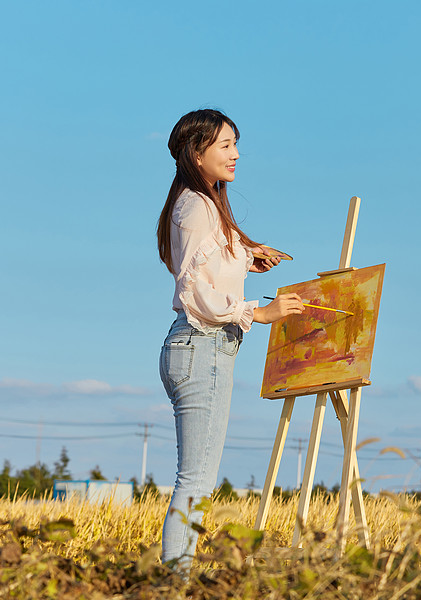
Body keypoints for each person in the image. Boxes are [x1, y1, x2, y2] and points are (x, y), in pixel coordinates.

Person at [156, 109, 303, 567]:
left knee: (194, 478)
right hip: (203, 345)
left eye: (236, 143)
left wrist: (245, 256)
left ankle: (173, 579)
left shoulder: (194, 203)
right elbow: (196, 291)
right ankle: (173, 584)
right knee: (195, 480)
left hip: (193, 347)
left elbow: (204, 269)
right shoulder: (198, 205)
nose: (235, 154)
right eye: (224, 145)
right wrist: (259, 312)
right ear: (195, 154)